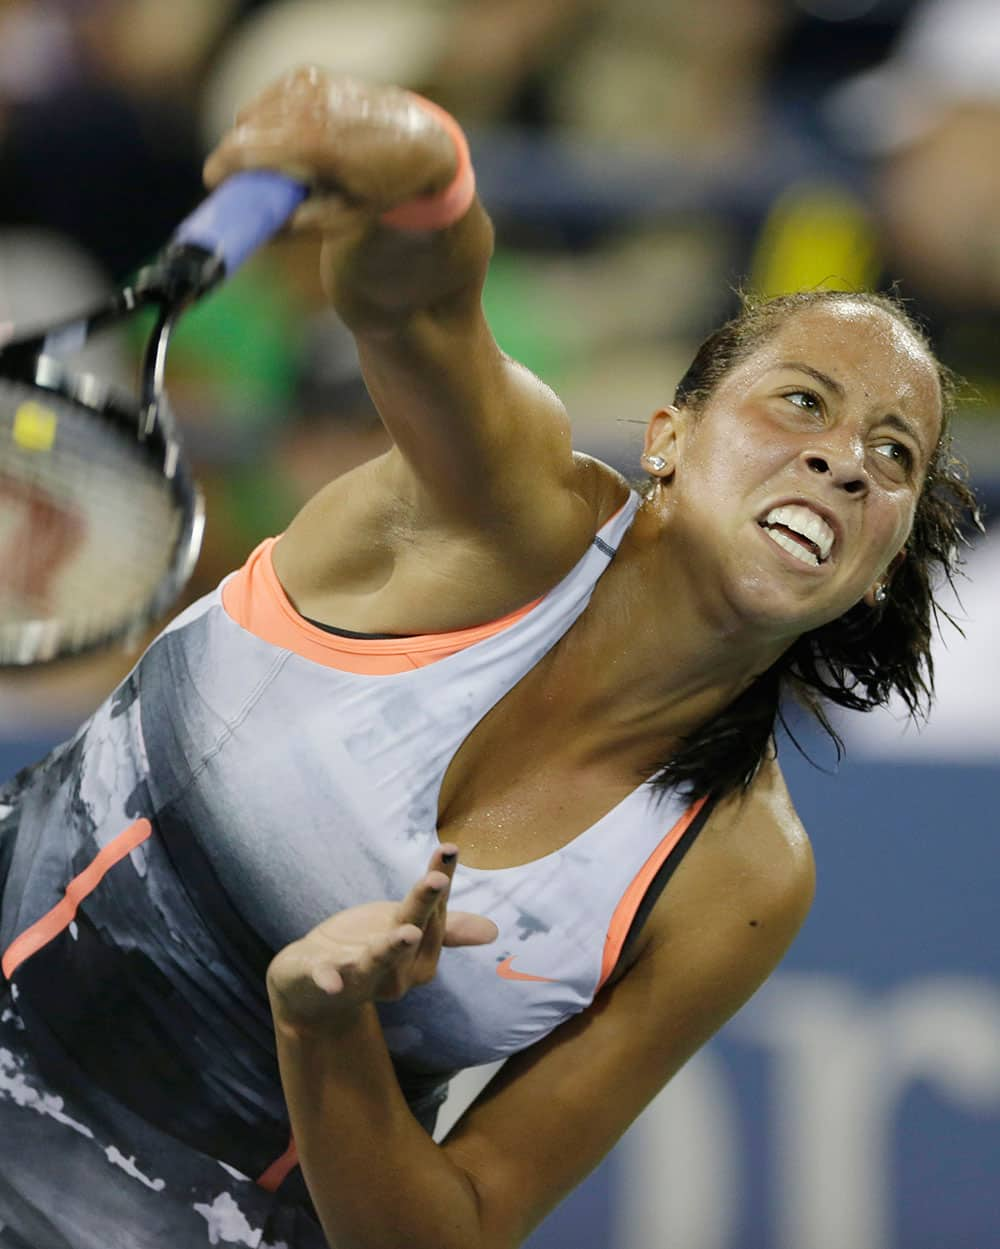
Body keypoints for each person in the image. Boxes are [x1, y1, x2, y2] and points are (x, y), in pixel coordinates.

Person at [0, 67, 978, 1249]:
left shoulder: (741, 876)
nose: (843, 460)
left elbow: (455, 1228)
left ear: (879, 562)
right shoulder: (508, 512)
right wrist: (420, 171)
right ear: (667, 439)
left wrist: (328, 1034)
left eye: (892, 453)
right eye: (802, 403)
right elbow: (416, 306)